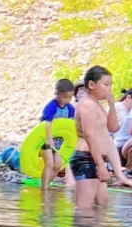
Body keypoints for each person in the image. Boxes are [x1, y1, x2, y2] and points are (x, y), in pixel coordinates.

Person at [69, 65, 122, 210]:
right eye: (105, 84)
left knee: (101, 205)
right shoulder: (87, 105)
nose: (109, 88)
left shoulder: (96, 105)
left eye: (110, 85)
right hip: (86, 158)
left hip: (95, 158)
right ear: (91, 84)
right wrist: (100, 166)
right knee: (83, 209)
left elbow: (113, 128)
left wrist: (111, 105)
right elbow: (89, 135)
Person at [39, 78, 76, 192]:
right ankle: (44, 190)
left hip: (59, 142)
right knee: (49, 163)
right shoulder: (51, 106)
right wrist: (49, 138)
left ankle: (45, 184)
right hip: (45, 140)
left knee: (57, 165)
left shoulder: (70, 108)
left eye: (69, 97)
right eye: (64, 97)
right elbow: (47, 123)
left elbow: (71, 125)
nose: (66, 100)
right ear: (57, 94)